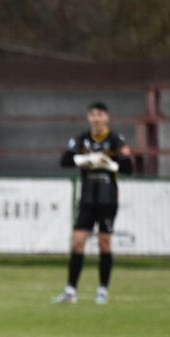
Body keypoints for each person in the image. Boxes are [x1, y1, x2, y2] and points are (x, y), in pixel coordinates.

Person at [55, 101, 134, 305]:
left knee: (104, 242)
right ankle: (71, 291)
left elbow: (129, 167)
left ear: (107, 117)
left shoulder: (116, 140)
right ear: (88, 118)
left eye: (100, 114)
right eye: (92, 115)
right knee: (77, 241)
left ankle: (102, 291)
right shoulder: (82, 139)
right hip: (87, 198)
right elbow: (64, 161)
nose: (96, 118)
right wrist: (85, 160)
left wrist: (110, 164)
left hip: (108, 199)